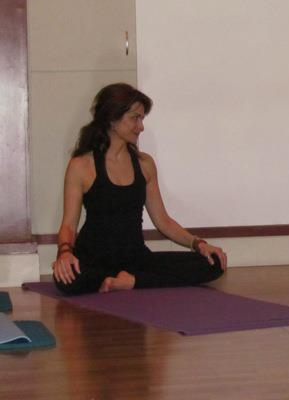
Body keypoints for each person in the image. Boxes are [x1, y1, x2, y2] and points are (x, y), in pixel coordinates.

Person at [52, 83, 227, 294]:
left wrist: (199, 244)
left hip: (136, 259)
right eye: (135, 118)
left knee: (214, 262)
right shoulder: (81, 165)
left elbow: (163, 221)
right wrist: (64, 253)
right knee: (66, 279)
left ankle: (131, 281)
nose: (141, 127)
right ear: (112, 119)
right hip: (93, 261)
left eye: (142, 119)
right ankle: (129, 280)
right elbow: (68, 226)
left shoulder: (145, 164)